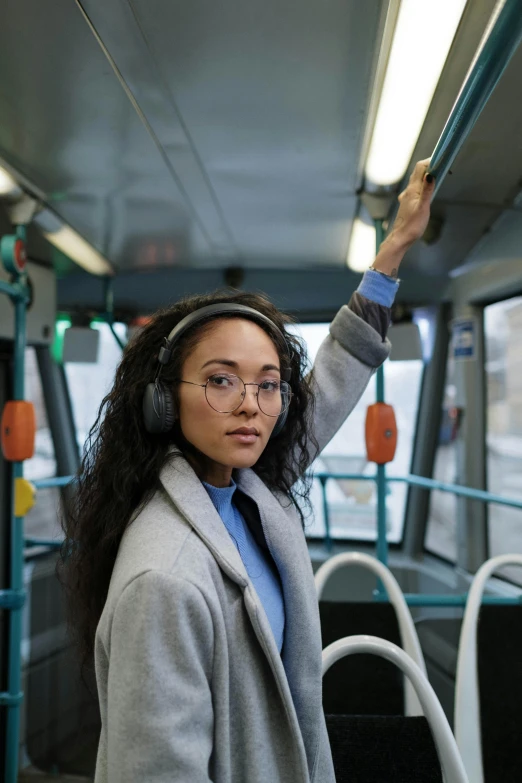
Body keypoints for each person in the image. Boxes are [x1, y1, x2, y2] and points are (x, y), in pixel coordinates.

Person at [60, 159, 434, 783]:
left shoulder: (250, 494)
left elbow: (333, 383)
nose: (249, 405)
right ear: (161, 400)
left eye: (268, 385)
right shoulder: (165, 576)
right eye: (220, 381)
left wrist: (394, 248)